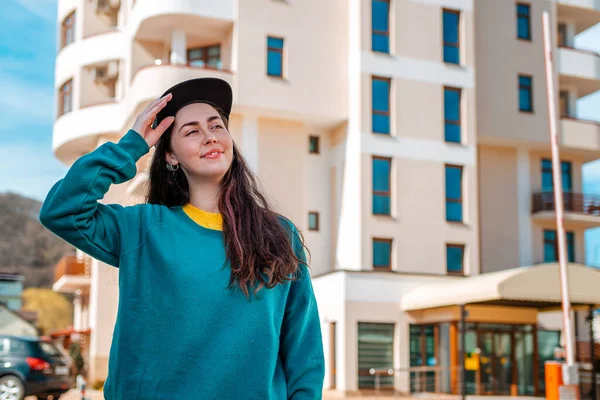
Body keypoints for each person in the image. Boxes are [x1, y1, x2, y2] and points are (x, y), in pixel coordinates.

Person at [39, 77, 325, 399]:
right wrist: (132, 145)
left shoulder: (278, 234)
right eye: (191, 131)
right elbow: (62, 211)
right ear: (171, 157)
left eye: (217, 127)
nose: (209, 137)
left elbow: (303, 349)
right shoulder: (143, 229)